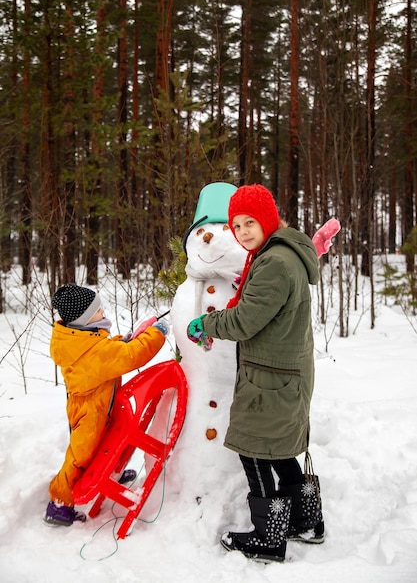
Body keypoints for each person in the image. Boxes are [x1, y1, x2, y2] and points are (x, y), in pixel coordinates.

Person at [187, 184, 324, 563]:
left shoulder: (275, 263)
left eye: (250, 222)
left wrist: (208, 323)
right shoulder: (275, 254)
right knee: (276, 449)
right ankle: (307, 522)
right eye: (237, 224)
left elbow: (246, 320)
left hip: (271, 376)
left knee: (255, 451)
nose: (244, 231)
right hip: (281, 372)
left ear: (267, 221)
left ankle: (269, 537)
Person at [44, 283, 169, 527]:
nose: (103, 312)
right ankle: (58, 502)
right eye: (98, 311)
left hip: (99, 405)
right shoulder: (94, 351)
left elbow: (106, 349)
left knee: (110, 441)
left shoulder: (78, 338)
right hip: (90, 412)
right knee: (81, 455)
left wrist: (123, 340)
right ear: (85, 319)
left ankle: (111, 472)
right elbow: (132, 356)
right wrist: (157, 333)